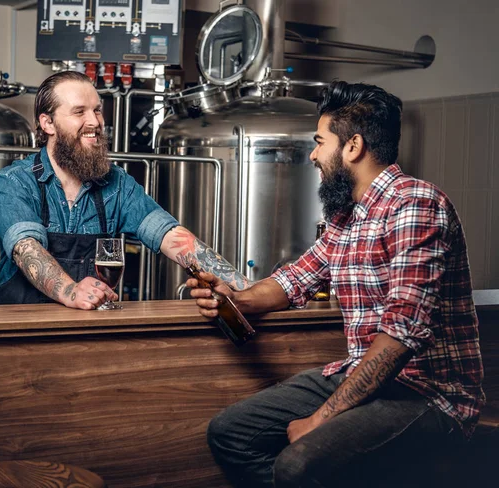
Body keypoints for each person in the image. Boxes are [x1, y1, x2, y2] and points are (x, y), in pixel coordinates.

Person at [188, 81, 484, 487]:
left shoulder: (415, 203)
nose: (312, 154)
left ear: (353, 146)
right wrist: (235, 298)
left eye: (319, 142)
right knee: (230, 432)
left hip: (428, 395)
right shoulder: (347, 218)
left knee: (298, 463)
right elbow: (294, 279)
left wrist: (320, 420)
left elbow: (400, 337)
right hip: (359, 375)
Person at [0, 70, 248, 308]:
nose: (94, 121)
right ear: (48, 123)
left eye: (97, 110)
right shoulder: (13, 182)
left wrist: (247, 291)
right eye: (79, 112)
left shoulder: (117, 184)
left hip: (84, 332)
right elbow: (27, 250)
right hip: (17, 328)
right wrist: (70, 291)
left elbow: (172, 237)